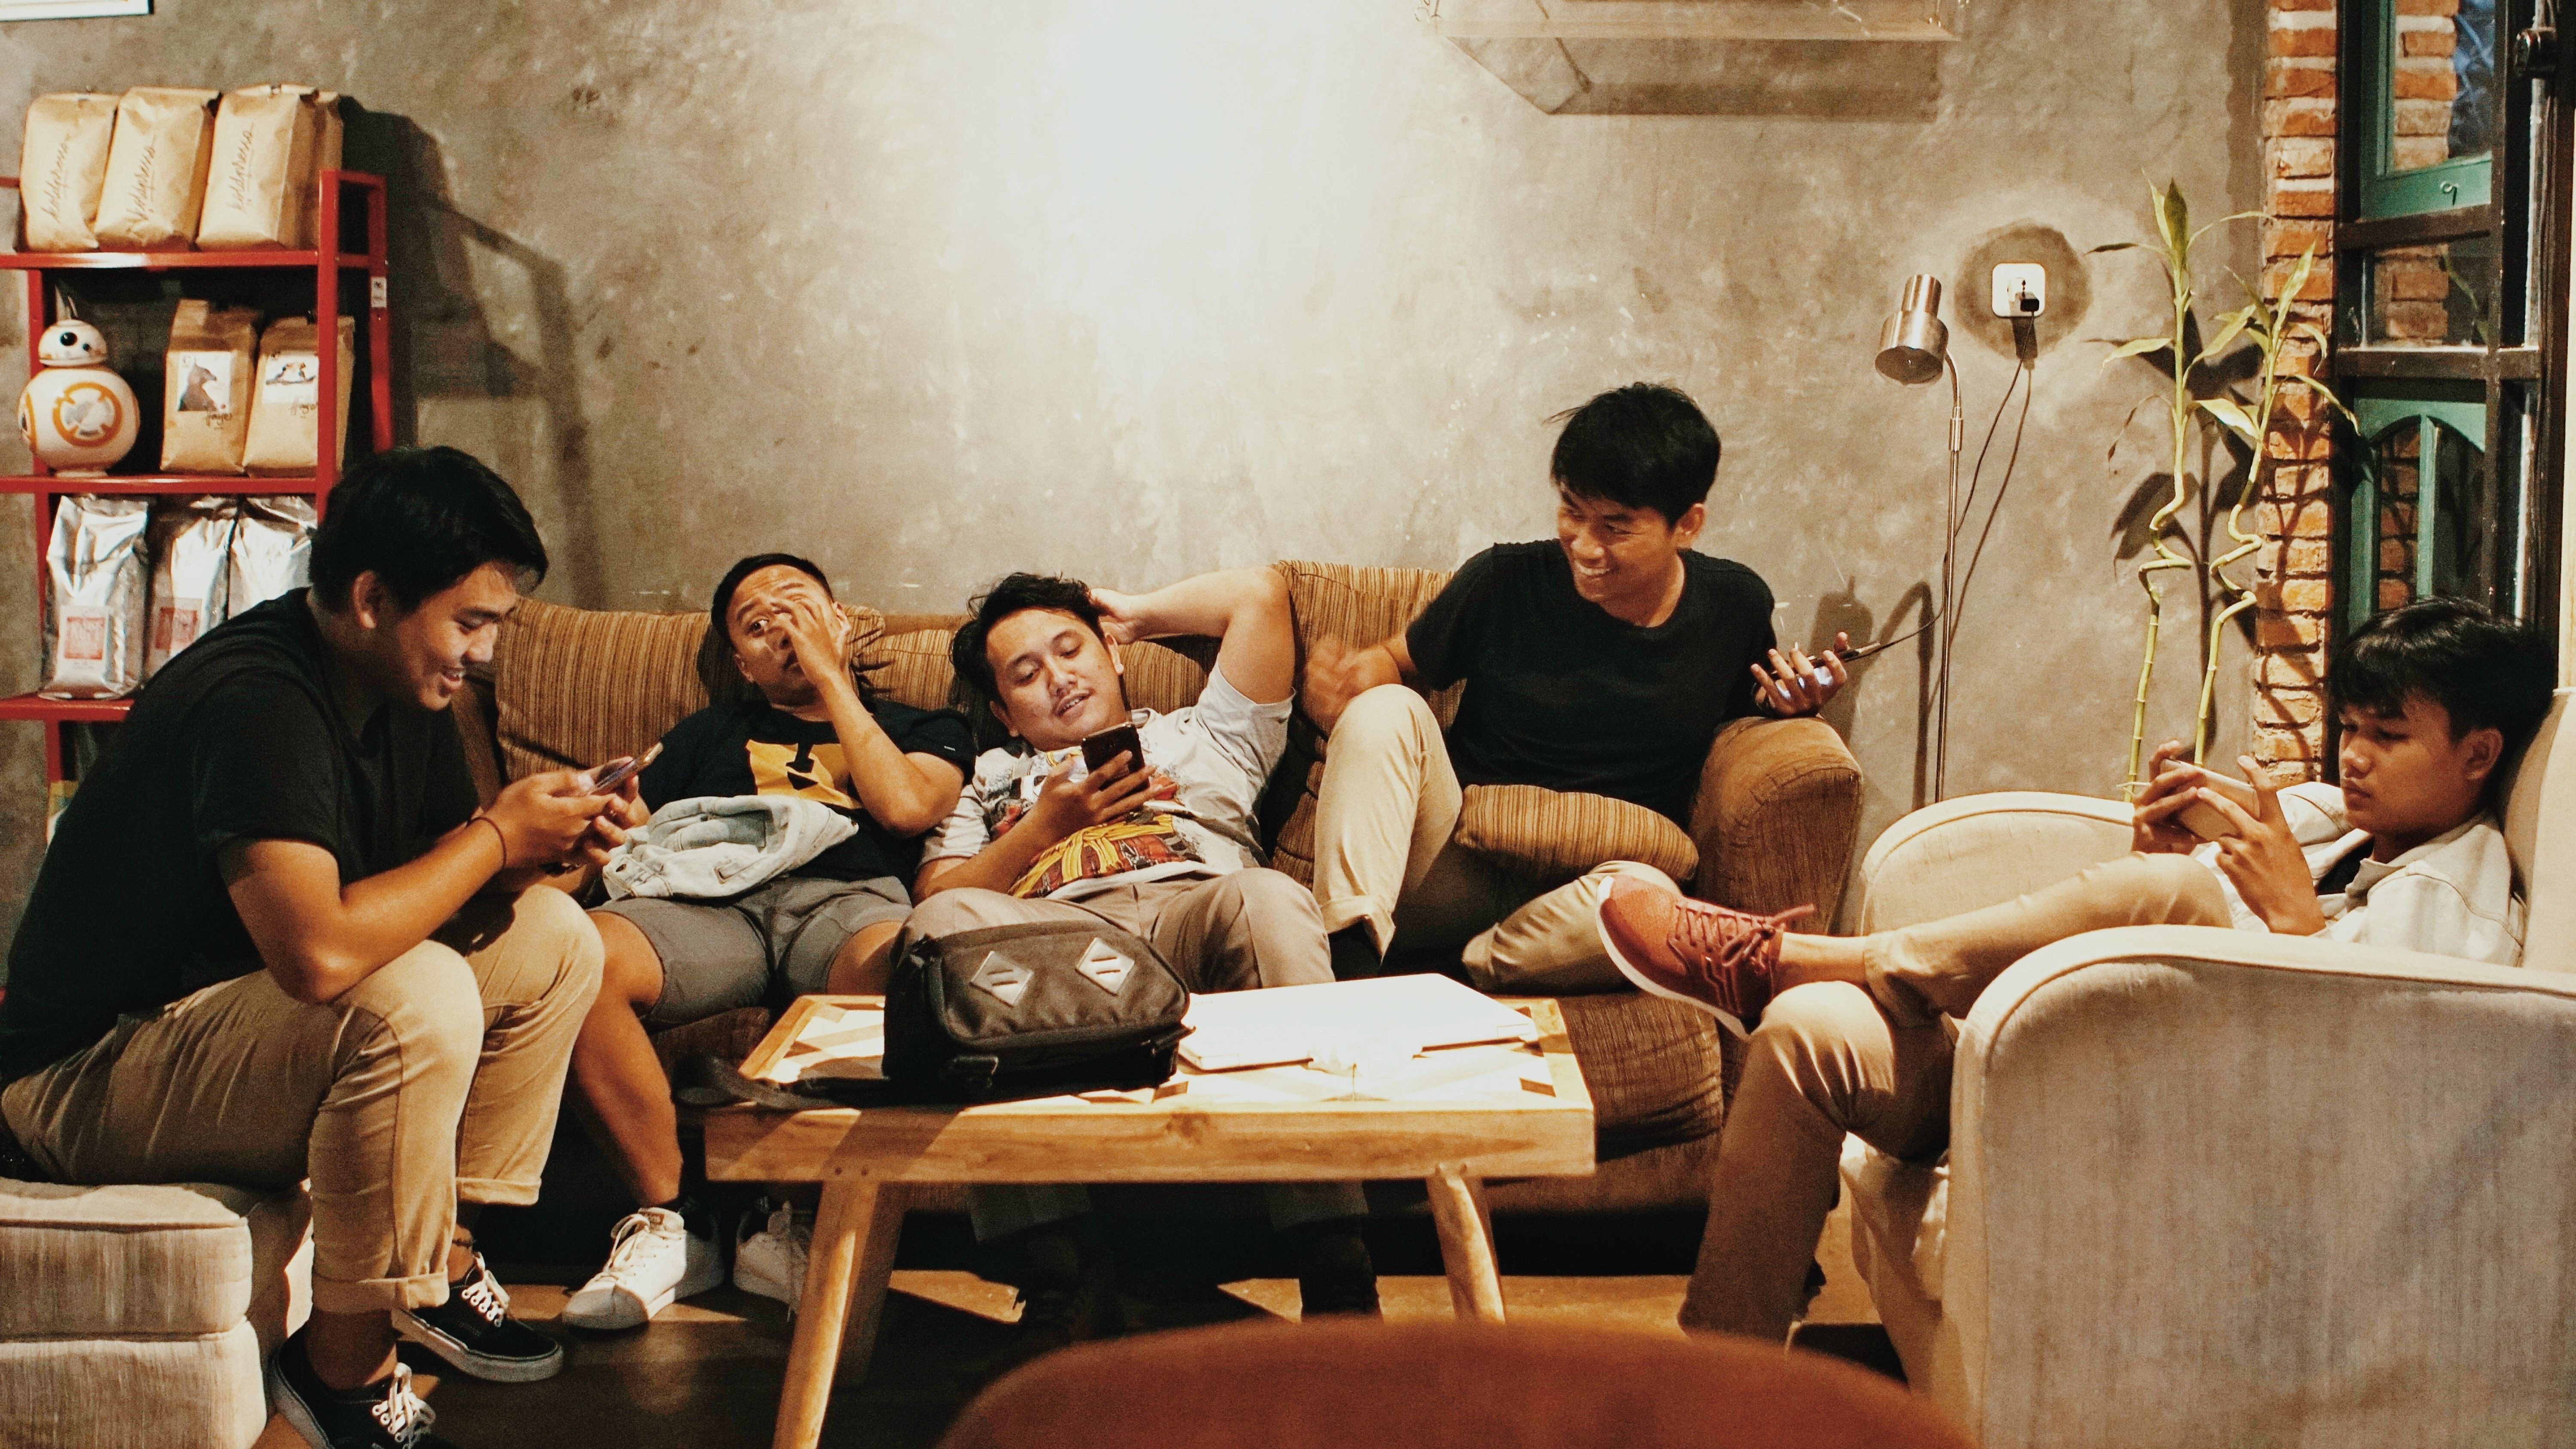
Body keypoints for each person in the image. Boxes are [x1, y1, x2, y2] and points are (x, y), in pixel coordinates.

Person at [1588, 596, 2551, 1342]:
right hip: (2055, 1063)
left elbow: (2394, 1087)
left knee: (2177, 893)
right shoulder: (2317, 820)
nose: (2355, 757)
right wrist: (2154, 854)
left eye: (2389, 736)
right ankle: (1722, 1375)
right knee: (1809, 1034)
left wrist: (2292, 927)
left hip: (2174, 1128)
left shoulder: (2456, 892)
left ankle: (1821, 960)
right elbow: (2162, 970)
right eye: (2350, 728)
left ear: (2478, 754)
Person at [0, 447, 620, 1449]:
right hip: (78, 1079)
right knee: (414, 997)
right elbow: (321, 956)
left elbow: (435, 885)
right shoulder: (257, 698)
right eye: (469, 621)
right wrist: (497, 835)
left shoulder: (402, 685)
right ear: (372, 598)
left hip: (221, 1025)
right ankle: (341, 1375)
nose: (482, 652)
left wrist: (547, 855)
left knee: (551, 937)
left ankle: (444, 1255)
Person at [904, 567, 1377, 1352]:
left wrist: (1131, 615)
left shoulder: (1202, 734)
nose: (1058, 678)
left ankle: (1334, 1260)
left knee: (1270, 897)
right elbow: (936, 900)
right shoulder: (988, 777)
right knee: (944, 929)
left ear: (1112, 655)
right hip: (1058, 946)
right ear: (1003, 712)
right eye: (1026, 673)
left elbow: (1259, 596)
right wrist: (1043, 828)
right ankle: (1062, 1274)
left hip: (1197, 912)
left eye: (1071, 650)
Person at [1300, 381, 1848, 988]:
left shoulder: (1733, 606)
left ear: (1687, 525)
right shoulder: (1504, 580)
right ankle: (1345, 970)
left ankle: (1472, 967)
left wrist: (1794, 703)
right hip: (1453, 866)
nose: (1585, 546)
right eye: (1572, 512)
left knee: (1649, 902)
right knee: (1386, 710)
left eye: (1616, 526)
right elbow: (1396, 661)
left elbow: (1751, 704)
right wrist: (1357, 680)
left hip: (1592, 890)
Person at [560, 554, 974, 1330]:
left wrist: (830, 679)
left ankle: (793, 1221)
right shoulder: (706, 733)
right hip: (708, 900)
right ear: (744, 666)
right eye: (758, 623)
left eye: (799, 607)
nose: (782, 625)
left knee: (908, 977)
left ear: (840, 621)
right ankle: (676, 1223)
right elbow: (633, 831)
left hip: (846, 898)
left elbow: (907, 807)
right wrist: (596, 820)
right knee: (575, 958)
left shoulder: (924, 725)